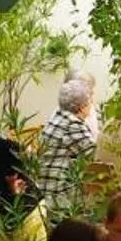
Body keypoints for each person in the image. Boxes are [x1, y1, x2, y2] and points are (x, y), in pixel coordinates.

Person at [32, 73, 101, 206]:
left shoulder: (58, 116)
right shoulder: (73, 124)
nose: (92, 105)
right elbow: (95, 156)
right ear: (82, 106)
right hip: (58, 194)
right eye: (90, 102)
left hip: (44, 188)